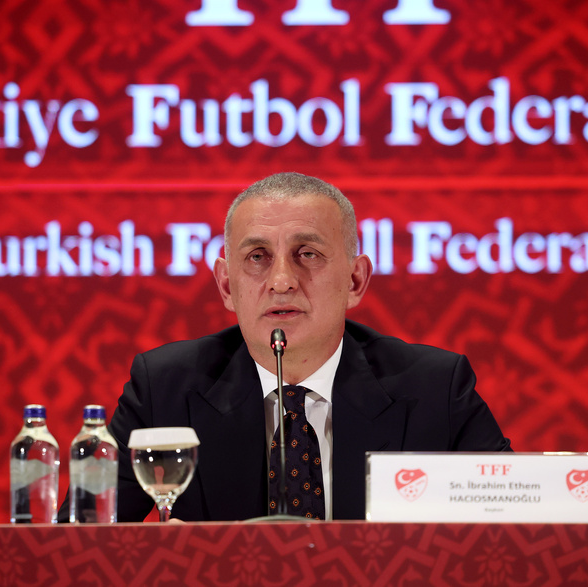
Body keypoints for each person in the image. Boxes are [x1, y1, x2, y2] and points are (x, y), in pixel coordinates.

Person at [75, 172, 511, 522]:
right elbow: (75, 549)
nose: (281, 280)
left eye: (307, 253)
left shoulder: (435, 389)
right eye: (258, 257)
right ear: (227, 286)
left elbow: (519, 528)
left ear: (356, 280)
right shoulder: (164, 389)